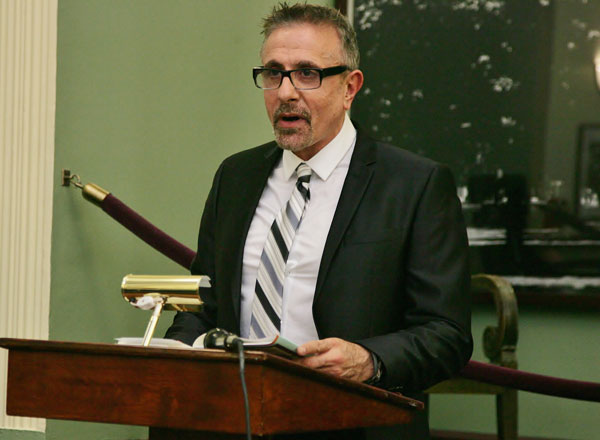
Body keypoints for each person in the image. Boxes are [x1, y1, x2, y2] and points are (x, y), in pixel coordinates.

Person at [166, 3, 472, 438]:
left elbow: (447, 334)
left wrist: (368, 359)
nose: (286, 92)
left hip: (351, 422)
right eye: (274, 72)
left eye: (307, 73)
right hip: (234, 420)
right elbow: (205, 301)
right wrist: (174, 350)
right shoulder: (236, 176)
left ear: (350, 87)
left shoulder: (414, 185)